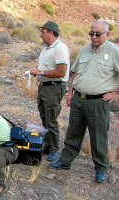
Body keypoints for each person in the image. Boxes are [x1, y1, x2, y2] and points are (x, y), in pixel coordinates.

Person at [49, 19, 119, 183]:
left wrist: (116, 93)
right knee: (73, 132)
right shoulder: (85, 50)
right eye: (91, 33)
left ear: (107, 34)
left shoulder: (114, 51)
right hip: (79, 100)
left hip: (98, 102)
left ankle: (101, 168)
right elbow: (75, 72)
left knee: (98, 137)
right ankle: (65, 161)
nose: (94, 37)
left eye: (98, 34)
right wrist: (70, 92)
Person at [30, 21, 70, 162]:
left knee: (51, 119)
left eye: (43, 31)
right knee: (45, 117)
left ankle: (54, 150)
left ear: (51, 33)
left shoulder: (60, 48)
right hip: (45, 87)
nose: (41, 34)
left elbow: (61, 71)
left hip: (54, 88)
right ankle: (47, 146)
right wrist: (38, 73)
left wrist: (40, 71)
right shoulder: (46, 49)